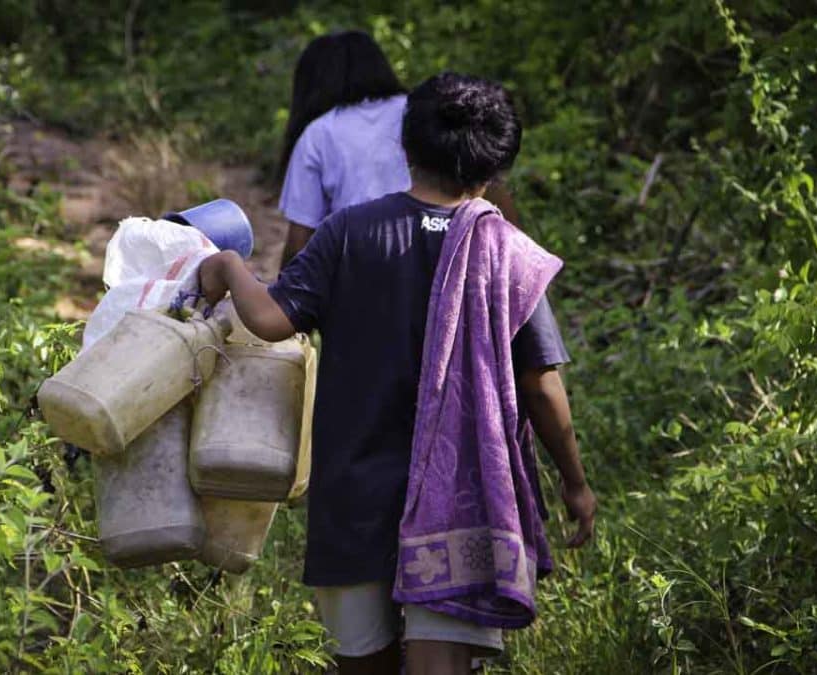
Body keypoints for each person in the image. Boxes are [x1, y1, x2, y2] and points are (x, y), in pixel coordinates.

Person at [203, 74, 596, 674]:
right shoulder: (507, 253)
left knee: (363, 663)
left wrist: (229, 265)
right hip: (462, 504)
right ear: (497, 163)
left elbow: (272, 320)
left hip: (355, 495)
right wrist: (574, 483)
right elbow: (542, 385)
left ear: (406, 147)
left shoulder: (352, 233)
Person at [278, 31, 520, 266]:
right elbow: (489, 183)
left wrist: (287, 294)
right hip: (450, 255)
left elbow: (299, 244)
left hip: (361, 270)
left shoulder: (319, 133)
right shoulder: (423, 111)